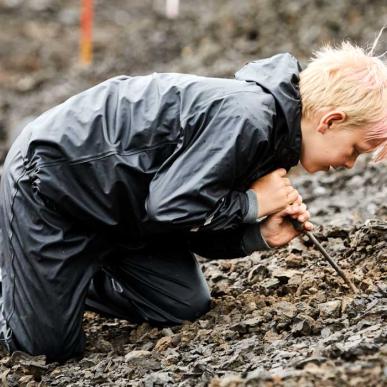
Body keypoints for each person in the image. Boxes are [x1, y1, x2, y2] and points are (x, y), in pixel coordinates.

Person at [0, 39, 386, 362]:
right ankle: (25, 281)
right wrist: (252, 203)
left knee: (182, 304)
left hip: (126, 210)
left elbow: (190, 226)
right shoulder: (248, 116)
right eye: (355, 149)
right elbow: (171, 207)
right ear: (331, 121)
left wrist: (259, 234)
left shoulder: (278, 142)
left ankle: (58, 280)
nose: (349, 164)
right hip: (52, 187)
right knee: (45, 352)